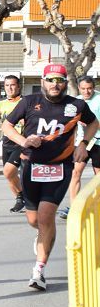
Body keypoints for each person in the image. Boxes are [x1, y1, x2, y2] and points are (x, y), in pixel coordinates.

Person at [2, 64, 98, 290]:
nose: (55, 84)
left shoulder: (76, 105)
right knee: (34, 221)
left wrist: (84, 143)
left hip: (59, 168)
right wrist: (24, 141)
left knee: (46, 217)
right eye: (51, 80)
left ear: (65, 83)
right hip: (31, 167)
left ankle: (39, 270)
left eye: (60, 80)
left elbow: (93, 123)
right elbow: (7, 126)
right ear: (43, 81)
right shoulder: (28, 102)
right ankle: (43, 237)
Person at [58, 76, 100, 219]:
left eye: (89, 88)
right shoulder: (75, 101)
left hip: (98, 142)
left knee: (98, 177)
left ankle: (97, 206)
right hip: (82, 143)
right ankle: (74, 207)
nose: (87, 91)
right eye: (83, 89)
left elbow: (94, 122)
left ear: (93, 87)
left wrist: (92, 123)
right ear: (79, 88)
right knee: (75, 172)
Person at [0, 75, 26, 212]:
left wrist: (26, 121)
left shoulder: (25, 102)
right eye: (7, 85)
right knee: (9, 175)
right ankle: (20, 198)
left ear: (18, 86)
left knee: (8, 171)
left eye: (12, 85)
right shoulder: (1, 103)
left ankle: (24, 196)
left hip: (21, 141)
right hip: (7, 142)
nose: (10, 88)